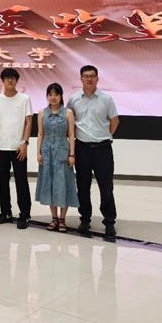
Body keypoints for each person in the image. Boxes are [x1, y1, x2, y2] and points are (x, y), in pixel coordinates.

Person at [68, 65, 119, 237]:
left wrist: (104, 135)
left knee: (106, 187)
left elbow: (114, 120)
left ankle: (109, 222)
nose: (89, 79)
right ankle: (85, 219)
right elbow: (70, 122)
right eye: (86, 76)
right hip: (82, 148)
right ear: (81, 79)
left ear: (97, 78)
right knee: (82, 186)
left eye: (92, 76)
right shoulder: (73, 99)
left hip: (102, 149)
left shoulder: (106, 99)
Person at [0, 68, 33, 229]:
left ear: (16, 80)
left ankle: (25, 214)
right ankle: (5, 212)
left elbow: (29, 122)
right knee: (3, 182)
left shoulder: (24, 98)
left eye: (13, 78)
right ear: (2, 81)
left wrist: (25, 143)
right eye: (7, 78)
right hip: (1, 147)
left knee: (21, 181)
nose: (10, 80)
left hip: (18, 148)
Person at [35, 83, 79, 233]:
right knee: (49, 183)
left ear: (61, 96)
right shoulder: (42, 113)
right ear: (47, 96)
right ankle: (54, 218)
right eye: (50, 94)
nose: (53, 97)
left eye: (56, 94)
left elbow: (71, 134)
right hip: (47, 151)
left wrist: (72, 154)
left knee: (63, 183)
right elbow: (40, 133)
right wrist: (38, 153)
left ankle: (62, 219)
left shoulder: (68, 113)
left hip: (62, 151)